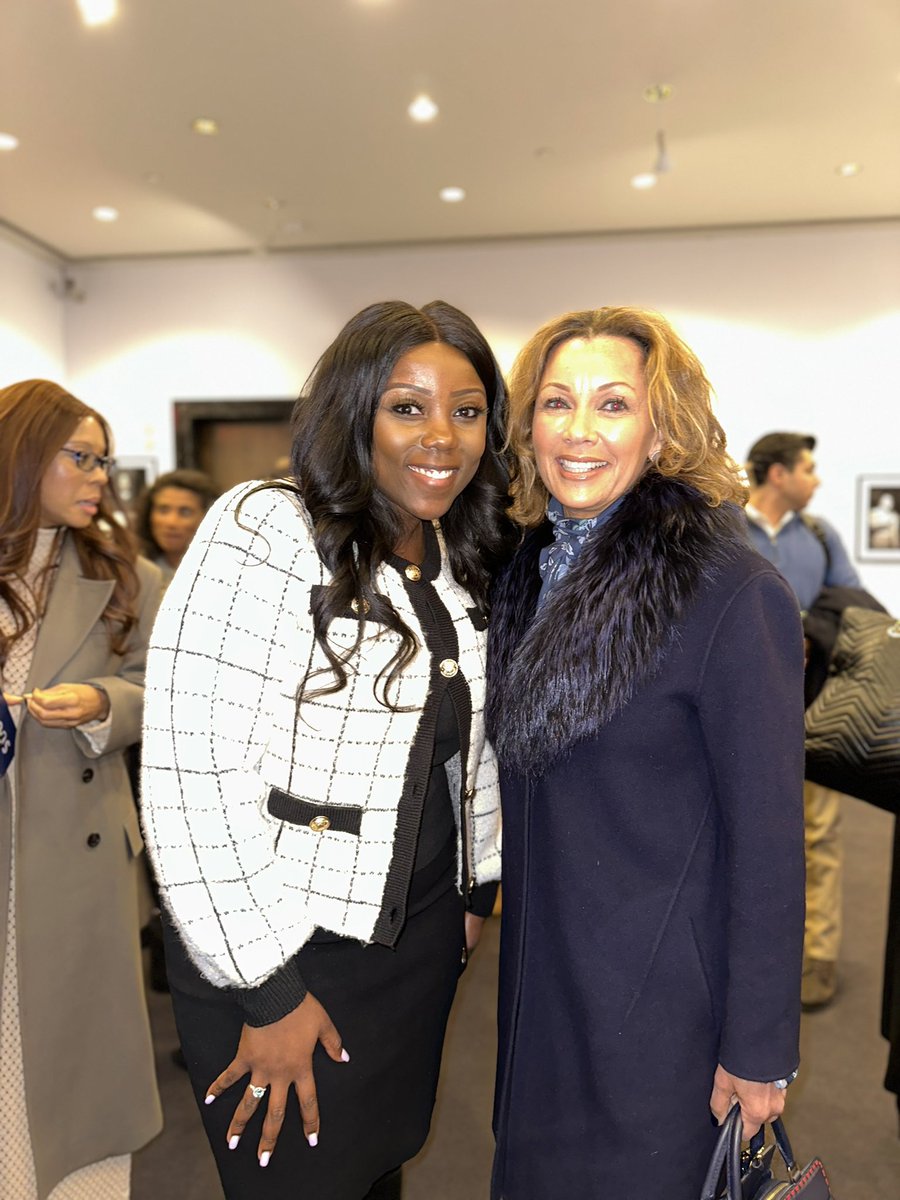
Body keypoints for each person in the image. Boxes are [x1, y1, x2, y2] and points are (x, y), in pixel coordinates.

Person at [140, 300, 514, 1200]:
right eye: (407, 406)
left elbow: (469, 754)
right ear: (354, 410)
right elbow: (192, 777)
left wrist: (477, 889)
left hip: (414, 947)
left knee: (377, 1173)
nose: (442, 436)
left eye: (467, 411)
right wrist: (264, 991)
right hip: (283, 947)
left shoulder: (457, 552)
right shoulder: (266, 526)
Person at [485, 309, 806, 1199]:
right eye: (556, 403)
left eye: (613, 404)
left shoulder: (730, 590)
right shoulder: (525, 574)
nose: (580, 430)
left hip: (667, 1012)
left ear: (662, 427)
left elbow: (770, 841)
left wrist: (758, 1047)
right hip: (539, 996)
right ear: (529, 428)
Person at [0, 380, 162, 1199]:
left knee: (73, 1068)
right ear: (23, 456)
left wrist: (104, 703)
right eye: (81, 457)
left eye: (104, 459)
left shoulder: (125, 576)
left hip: (74, 849)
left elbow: (161, 690)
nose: (100, 476)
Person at [744, 431, 861, 1010]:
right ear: (777, 474)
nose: (816, 480)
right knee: (739, 832)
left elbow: (860, 606)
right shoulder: (720, 531)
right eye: (808, 469)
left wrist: (812, 629)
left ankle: (818, 957)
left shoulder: (820, 535)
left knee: (820, 833)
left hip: (812, 708)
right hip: (737, 716)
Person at [134, 468, 219, 590]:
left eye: (185, 512)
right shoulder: (135, 571)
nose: (171, 522)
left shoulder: (226, 574)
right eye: (163, 510)